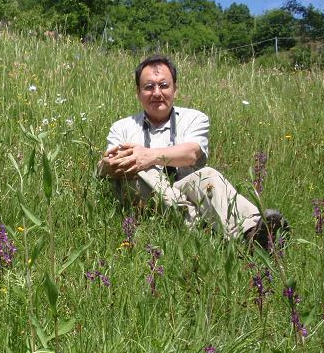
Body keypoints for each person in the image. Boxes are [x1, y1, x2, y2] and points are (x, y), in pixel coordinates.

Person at [98, 54, 288, 251]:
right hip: (145, 200)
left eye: (163, 85)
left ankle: (254, 233)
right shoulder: (122, 127)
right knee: (143, 171)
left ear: (175, 90)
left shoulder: (194, 118)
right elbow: (110, 164)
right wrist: (113, 165)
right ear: (138, 93)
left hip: (186, 188)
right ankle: (207, 225)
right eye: (148, 87)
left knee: (209, 175)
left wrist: (147, 156)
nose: (156, 93)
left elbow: (191, 153)